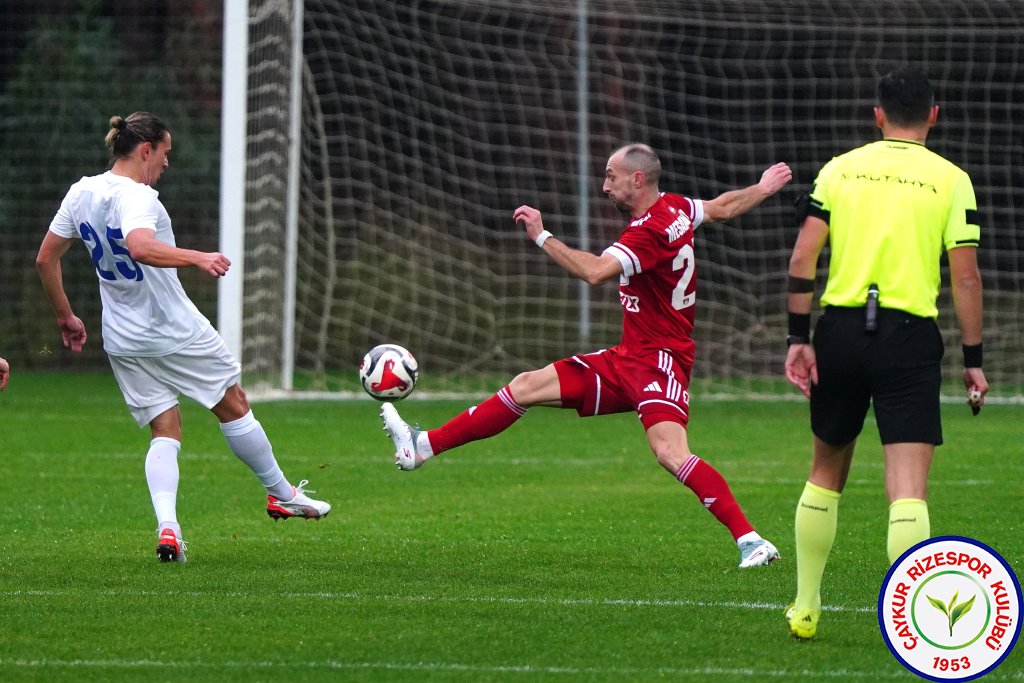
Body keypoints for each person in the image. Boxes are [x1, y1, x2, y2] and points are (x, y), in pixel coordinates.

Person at [382, 143, 792, 568]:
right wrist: (762, 188)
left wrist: (542, 236)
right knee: (526, 386)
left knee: (671, 453)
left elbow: (595, 272)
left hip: (659, 361)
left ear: (637, 179)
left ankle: (751, 541)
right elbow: (723, 208)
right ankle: (422, 446)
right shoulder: (677, 208)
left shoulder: (649, 230)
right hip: (627, 358)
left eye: (612, 176)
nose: (605, 186)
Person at [36, 112, 331, 564]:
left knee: (165, 428)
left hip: (123, 337)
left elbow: (46, 259)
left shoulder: (82, 191)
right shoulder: (139, 197)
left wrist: (66, 316)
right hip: (171, 329)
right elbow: (139, 246)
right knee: (233, 404)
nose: (167, 162)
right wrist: (197, 257)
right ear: (146, 150)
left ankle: (169, 529)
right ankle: (282, 494)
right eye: (165, 152)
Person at [782, 66, 989, 639]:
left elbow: (802, 260)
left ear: (877, 115)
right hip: (909, 338)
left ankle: (805, 605)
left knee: (825, 473)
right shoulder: (952, 180)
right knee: (908, 489)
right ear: (933, 116)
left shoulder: (839, 169)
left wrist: (798, 339)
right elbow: (965, 278)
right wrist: (973, 359)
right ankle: (914, 624)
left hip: (840, 333)